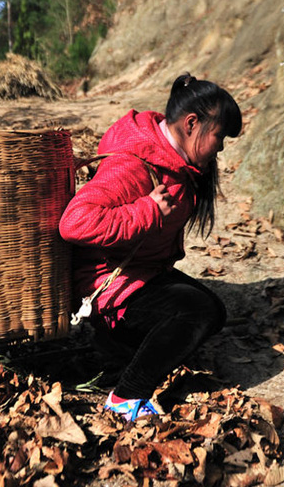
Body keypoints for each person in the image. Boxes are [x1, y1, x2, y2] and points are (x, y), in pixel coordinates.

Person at [59, 73, 242, 421]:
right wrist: (146, 211)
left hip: (142, 274)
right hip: (107, 285)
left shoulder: (176, 160)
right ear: (192, 123)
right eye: (219, 136)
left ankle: (118, 348)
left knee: (213, 311)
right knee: (197, 312)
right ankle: (125, 397)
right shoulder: (133, 164)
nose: (220, 147)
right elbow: (74, 223)